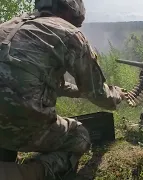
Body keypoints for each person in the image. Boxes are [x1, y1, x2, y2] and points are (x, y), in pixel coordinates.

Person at [0, 0, 125, 179]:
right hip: (22, 126)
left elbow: (38, 81)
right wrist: (116, 95)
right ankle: (23, 173)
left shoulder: (8, 26)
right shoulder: (69, 33)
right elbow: (98, 93)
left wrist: (80, 91)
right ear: (71, 9)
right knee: (80, 136)